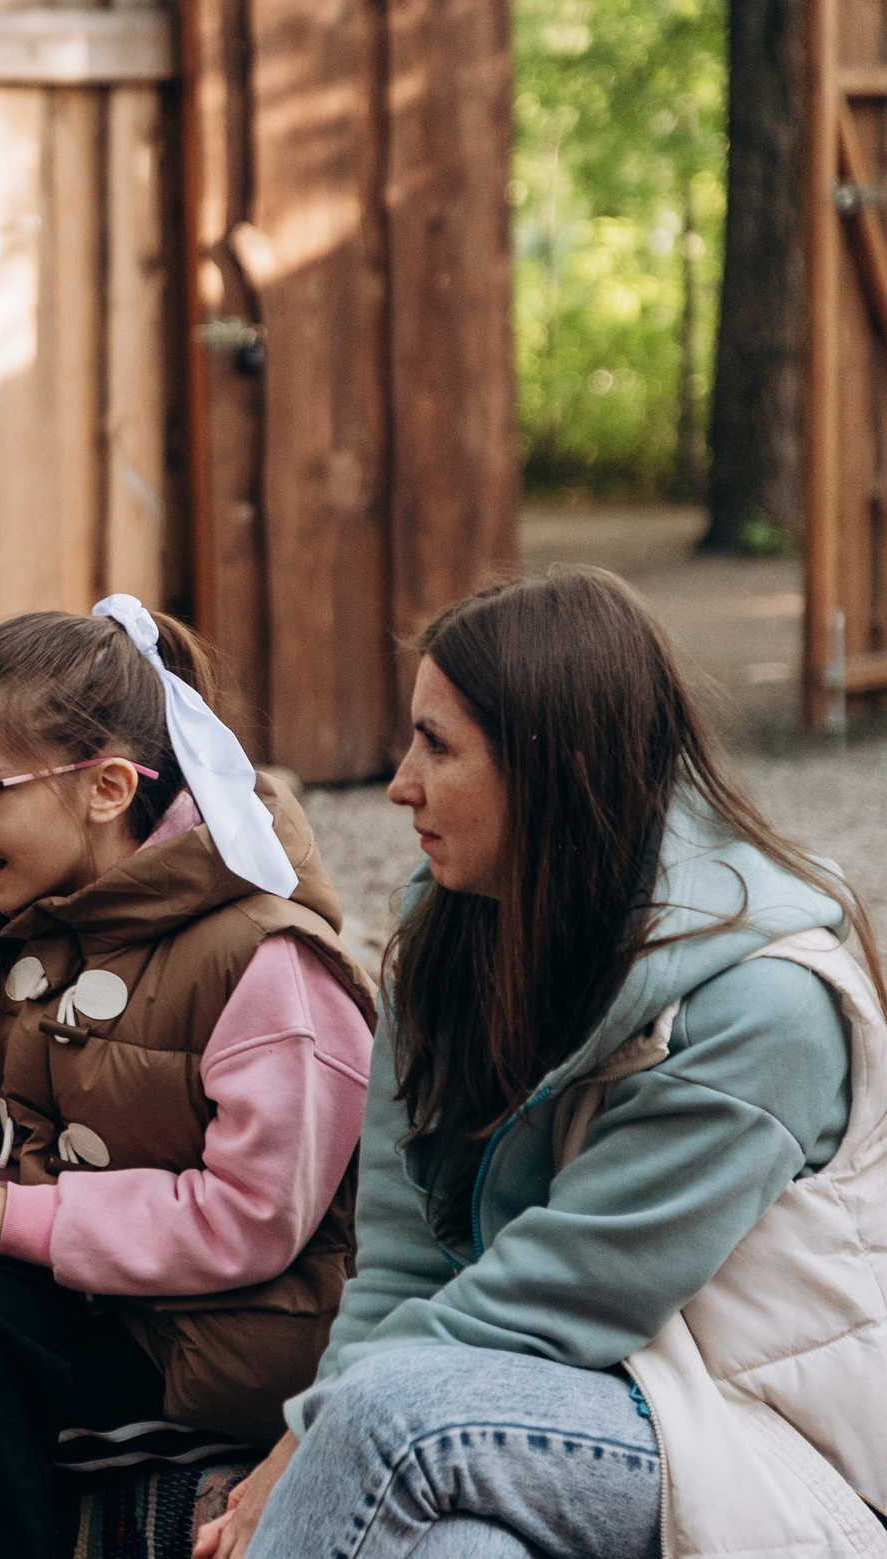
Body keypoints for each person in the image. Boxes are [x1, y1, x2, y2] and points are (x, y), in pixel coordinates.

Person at [199, 569, 885, 1559]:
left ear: (552, 763)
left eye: (436, 744)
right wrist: (322, 1431)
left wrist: (305, 1440)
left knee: (383, 1413)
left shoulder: (763, 1001)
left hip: (755, 1446)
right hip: (549, 1408)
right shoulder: (449, 937)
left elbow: (560, 1291)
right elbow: (399, 1254)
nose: (399, 782)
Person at [0, 599, 376, 1559]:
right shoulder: (50, 923)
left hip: (227, 1350)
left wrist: (6, 1216)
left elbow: (251, 1219)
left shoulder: (268, 964)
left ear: (109, 786)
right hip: (109, 1305)